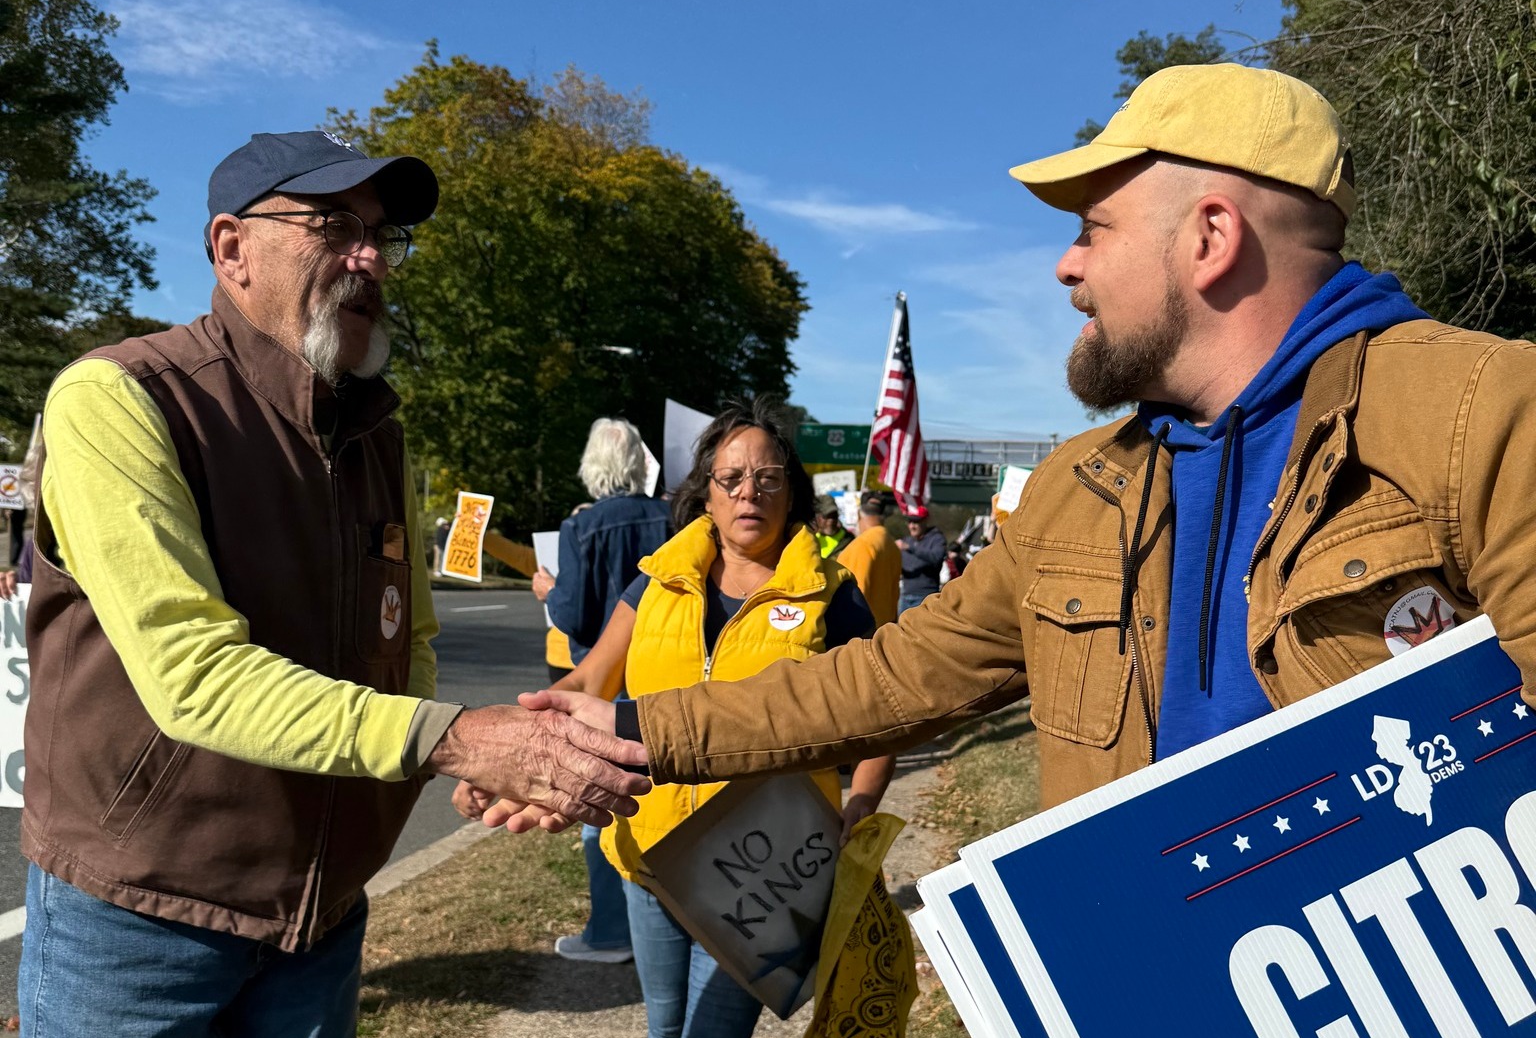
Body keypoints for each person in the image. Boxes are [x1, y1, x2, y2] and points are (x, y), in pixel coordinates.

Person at [505, 62, 1536, 870]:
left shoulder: (1484, 415)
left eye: (1095, 229)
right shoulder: (1080, 491)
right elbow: (892, 679)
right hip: (1162, 1012)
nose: (1066, 265)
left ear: (1211, 236)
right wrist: (626, 729)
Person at [11, 129, 646, 1038]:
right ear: (230, 247)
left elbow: (408, 647)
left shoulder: (377, 428)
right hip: (132, 902)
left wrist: (462, 764)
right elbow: (193, 675)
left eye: (383, 235)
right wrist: (453, 739)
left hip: (316, 914)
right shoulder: (121, 398)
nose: (371, 260)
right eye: (335, 230)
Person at [469, 398, 895, 1038]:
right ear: (705, 488)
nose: (750, 494)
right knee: (664, 1037)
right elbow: (593, 678)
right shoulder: (656, 578)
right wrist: (531, 736)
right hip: (649, 853)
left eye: (769, 480)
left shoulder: (829, 592)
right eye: (733, 478)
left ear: (793, 494)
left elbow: (885, 710)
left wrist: (858, 808)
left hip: (764, 870)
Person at [531, 418, 672, 963]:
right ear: (640, 463)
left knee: (603, 803)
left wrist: (548, 588)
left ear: (592, 466)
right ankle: (667, 921)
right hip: (665, 678)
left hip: (601, 684)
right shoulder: (673, 517)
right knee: (669, 797)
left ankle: (612, 930)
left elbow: (570, 613)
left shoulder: (581, 527)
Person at [837, 490, 901, 626]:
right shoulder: (891, 545)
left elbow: (856, 596)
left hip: (861, 633)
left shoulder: (862, 545)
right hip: (883, 629)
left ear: (858, 514)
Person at [895, 504, 946, 615]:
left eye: (916, 522)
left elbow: (936, 558)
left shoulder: (936, 539)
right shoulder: (906, 540)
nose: (912, 526)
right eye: (910, 522)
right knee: (901, 631)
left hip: (925, 596)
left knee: (922, 631)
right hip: (905, 596)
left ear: (925, 521)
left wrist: (910, 548)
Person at [811, 492, 851, 558]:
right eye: (826, 516)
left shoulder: (849, 541)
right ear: (817, 517)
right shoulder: (810, 538)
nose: (831, 520)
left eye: (834, 515)